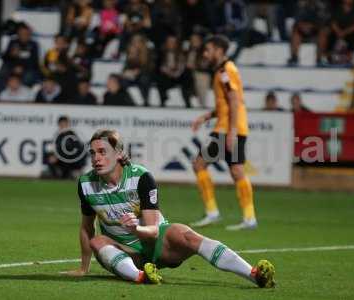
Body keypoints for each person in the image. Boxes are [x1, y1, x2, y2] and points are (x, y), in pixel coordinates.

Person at [63, 129, 275, 289]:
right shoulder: (85, 184)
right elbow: (86, 227)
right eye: (93, 153)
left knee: (185, 234)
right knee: (98, 240)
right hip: (125, 253)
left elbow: (154, 231)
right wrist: (84, 267)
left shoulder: (141, 178)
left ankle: (254, 274)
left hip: (156, 243)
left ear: (119, 154)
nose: (96, 158)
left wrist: (136, 229)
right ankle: (142, 276)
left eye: (102, 151)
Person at [191, 35, 257, 230]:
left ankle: (214, 213)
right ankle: (248, 218)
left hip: (228, 129)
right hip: (229, 127)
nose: (205, 53)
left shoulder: (226, 71)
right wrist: (207, 116)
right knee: (236, 170)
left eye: (208, 49)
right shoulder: (222, 70)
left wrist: (232, 132)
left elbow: (235, 101)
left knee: (200, 164)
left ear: (219, 50)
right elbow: (226, 104)